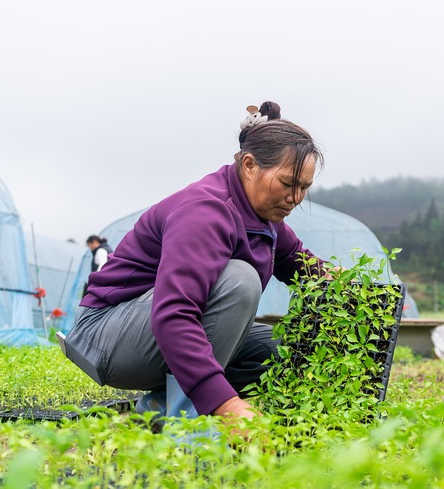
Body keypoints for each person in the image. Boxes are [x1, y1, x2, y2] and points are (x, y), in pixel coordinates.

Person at [61, 101, 324, 422]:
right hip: (104, 337)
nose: (295, 198)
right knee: (239, 280)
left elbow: (299, 262)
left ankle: (160, 405)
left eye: (303, 188)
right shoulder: (205, 211)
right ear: (250, 165)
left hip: (147, 328)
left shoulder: (264, 213)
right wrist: (227, 405)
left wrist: (346, 284)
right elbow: (174, 315)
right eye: (287, 184)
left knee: (279, 353)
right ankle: (185, 421)